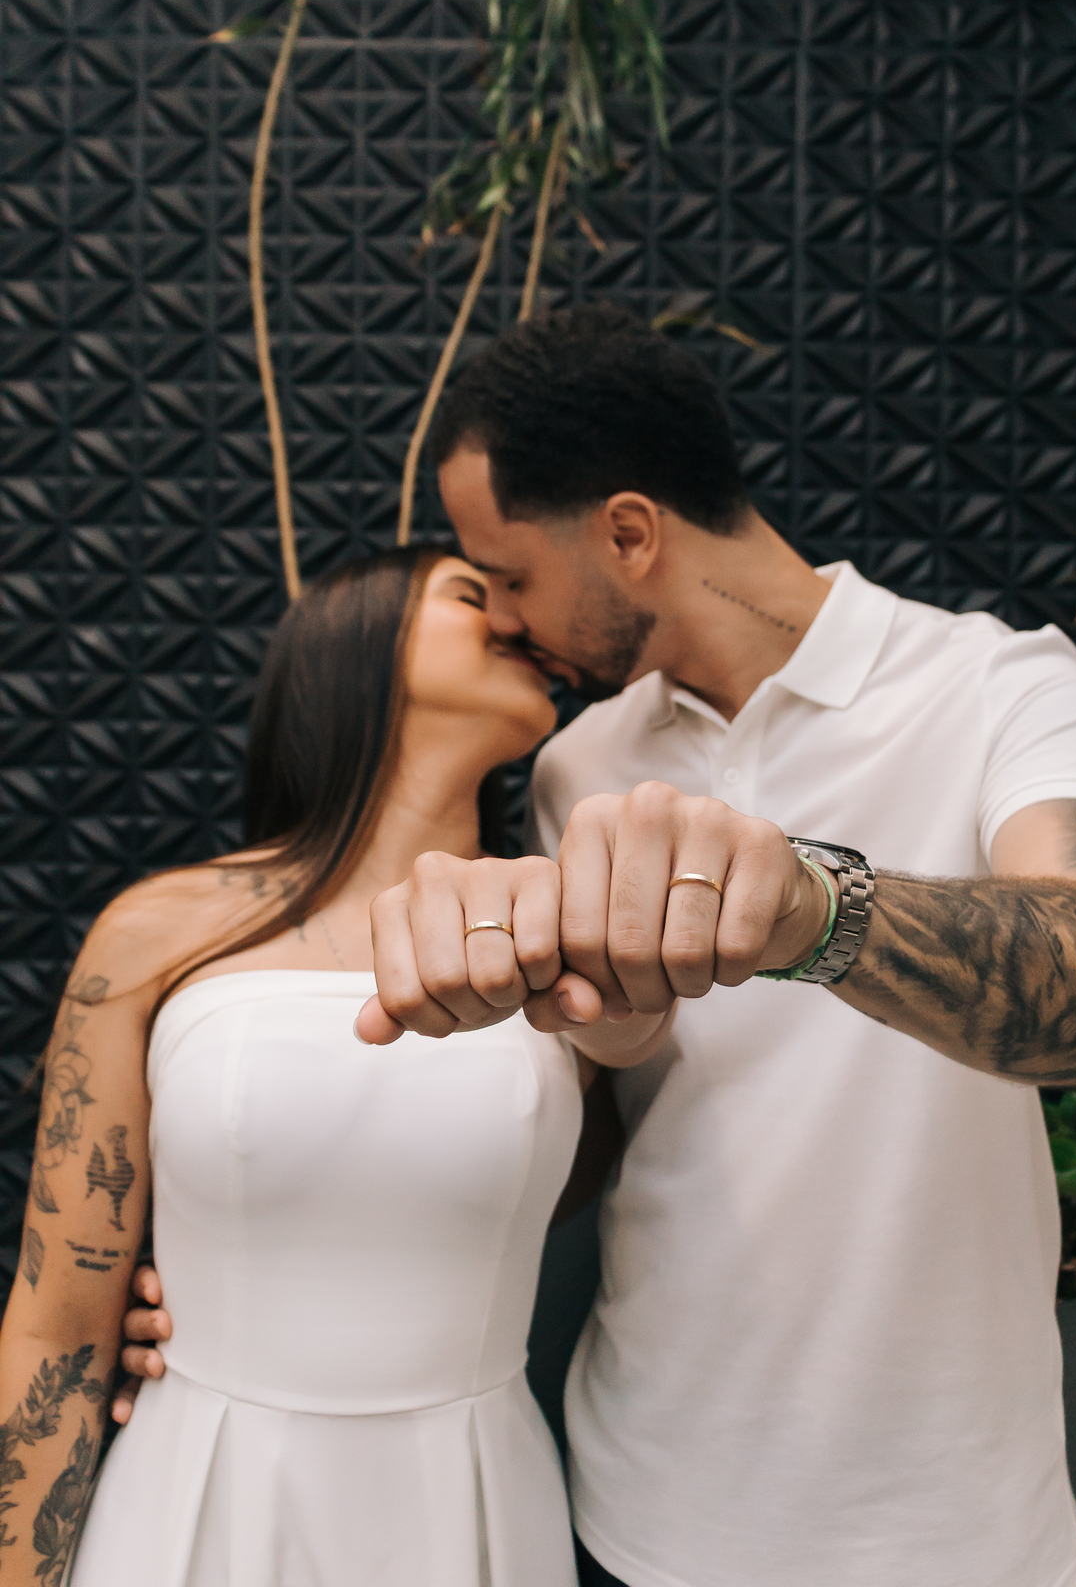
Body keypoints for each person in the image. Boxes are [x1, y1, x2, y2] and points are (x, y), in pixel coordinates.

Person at [118, 304, 1076, 1587]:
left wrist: (817, 909)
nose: (504, 619)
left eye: (508, 576)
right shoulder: (578, 766)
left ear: (629, 534)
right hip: (632, 1502)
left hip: (947, 1520)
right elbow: (583, 1134)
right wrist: (259, 1286)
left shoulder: (998, 686)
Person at [0, 546, 667, 1587]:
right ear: (354, 640)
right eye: (472, 594)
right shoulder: (156, 930)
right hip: (197, 1493)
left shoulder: (559, 933)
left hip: (476, 1500)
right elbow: (57, 1331)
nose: (515, 621)